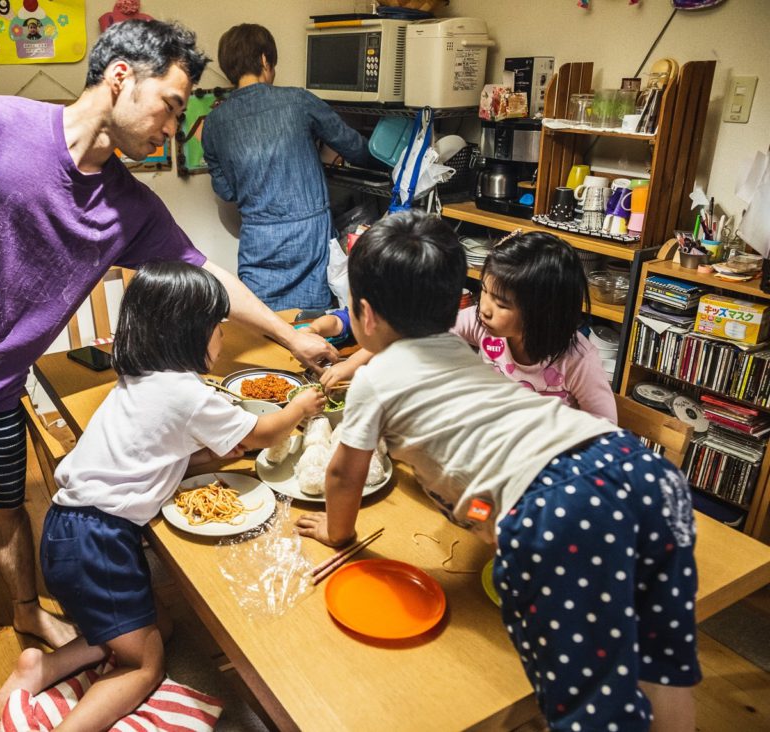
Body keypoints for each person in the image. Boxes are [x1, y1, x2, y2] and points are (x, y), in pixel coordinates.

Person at [0, 19, 335, 729]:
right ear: (121, 76)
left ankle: (28, 616)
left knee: (5, 512)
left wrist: (289, 335)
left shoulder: (128, 205)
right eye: (172, 104)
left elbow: (207, 272)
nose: (174, 127)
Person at [296, 211, 700, 731]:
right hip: (637, 467)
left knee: (589, 704)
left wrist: (338, 532)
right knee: (660, 660)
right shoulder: (465, 350)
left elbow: (342, 476)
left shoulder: (378, 376)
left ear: (365, 315)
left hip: (561, 505)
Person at [0, 261, 326, 730]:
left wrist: (224, 451)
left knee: (158, 628)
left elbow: (173, 457)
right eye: (217, 329)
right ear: (190, 334)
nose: (222, 339)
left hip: (75, 533)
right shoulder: (187, 393)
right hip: (97, 542)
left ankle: (41, 668)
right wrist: (299, 407)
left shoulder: (143, 380)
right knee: (145, 666)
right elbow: (264, 432)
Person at [320, 231, 617, 422]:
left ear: (543, 311)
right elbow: (417, 331)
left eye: (501, 304)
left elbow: (605, 430)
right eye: (484, 292)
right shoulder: (483, 324)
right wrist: (353, 364)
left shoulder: (577, 359)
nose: (484, 308)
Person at [202, 23, 373, 311]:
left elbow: (226, 191)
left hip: (259, 240)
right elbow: (354, 147)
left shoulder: (214, 123)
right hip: (309, 235)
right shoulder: (298, 101)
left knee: (265, 324)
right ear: (265, 60)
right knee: (312, 321)